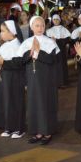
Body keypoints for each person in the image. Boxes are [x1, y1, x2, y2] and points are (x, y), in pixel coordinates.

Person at [17, 16, 60, 145]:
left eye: (42, 25)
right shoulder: (26, 42)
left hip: (47, 79)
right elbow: (21, 60)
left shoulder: (50, 42)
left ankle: (47, 132)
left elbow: (52, 60)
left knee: (46, 103)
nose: (40, 28)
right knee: (34, 104)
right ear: (31, 27)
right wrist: (31, 52)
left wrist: (38, 51)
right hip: (32, 79)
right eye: (37, 25)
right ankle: (38, 132)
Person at [0, 20, 25, 139]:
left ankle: (19, 128)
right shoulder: (5, 45)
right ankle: (9, 127)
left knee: (16, 102)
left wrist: (1, 61)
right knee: (6, 102)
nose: (1, 34)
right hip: (4, 77)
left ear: (12, 32)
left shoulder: (18, 46)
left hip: (15, 78)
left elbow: (18, 63)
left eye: (3, 31)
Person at [46, 14, 71, 87]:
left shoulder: (63, 29)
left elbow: (67, 39)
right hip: (53, 51)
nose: (56, 21)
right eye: (54, 19)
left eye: (57, 19)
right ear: (52, 21)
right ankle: (55, 82)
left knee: (62, 65)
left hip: (62, 51)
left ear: (60, 20)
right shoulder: (49, 30)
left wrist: (57, 40)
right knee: (54, 65)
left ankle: (63, 82)